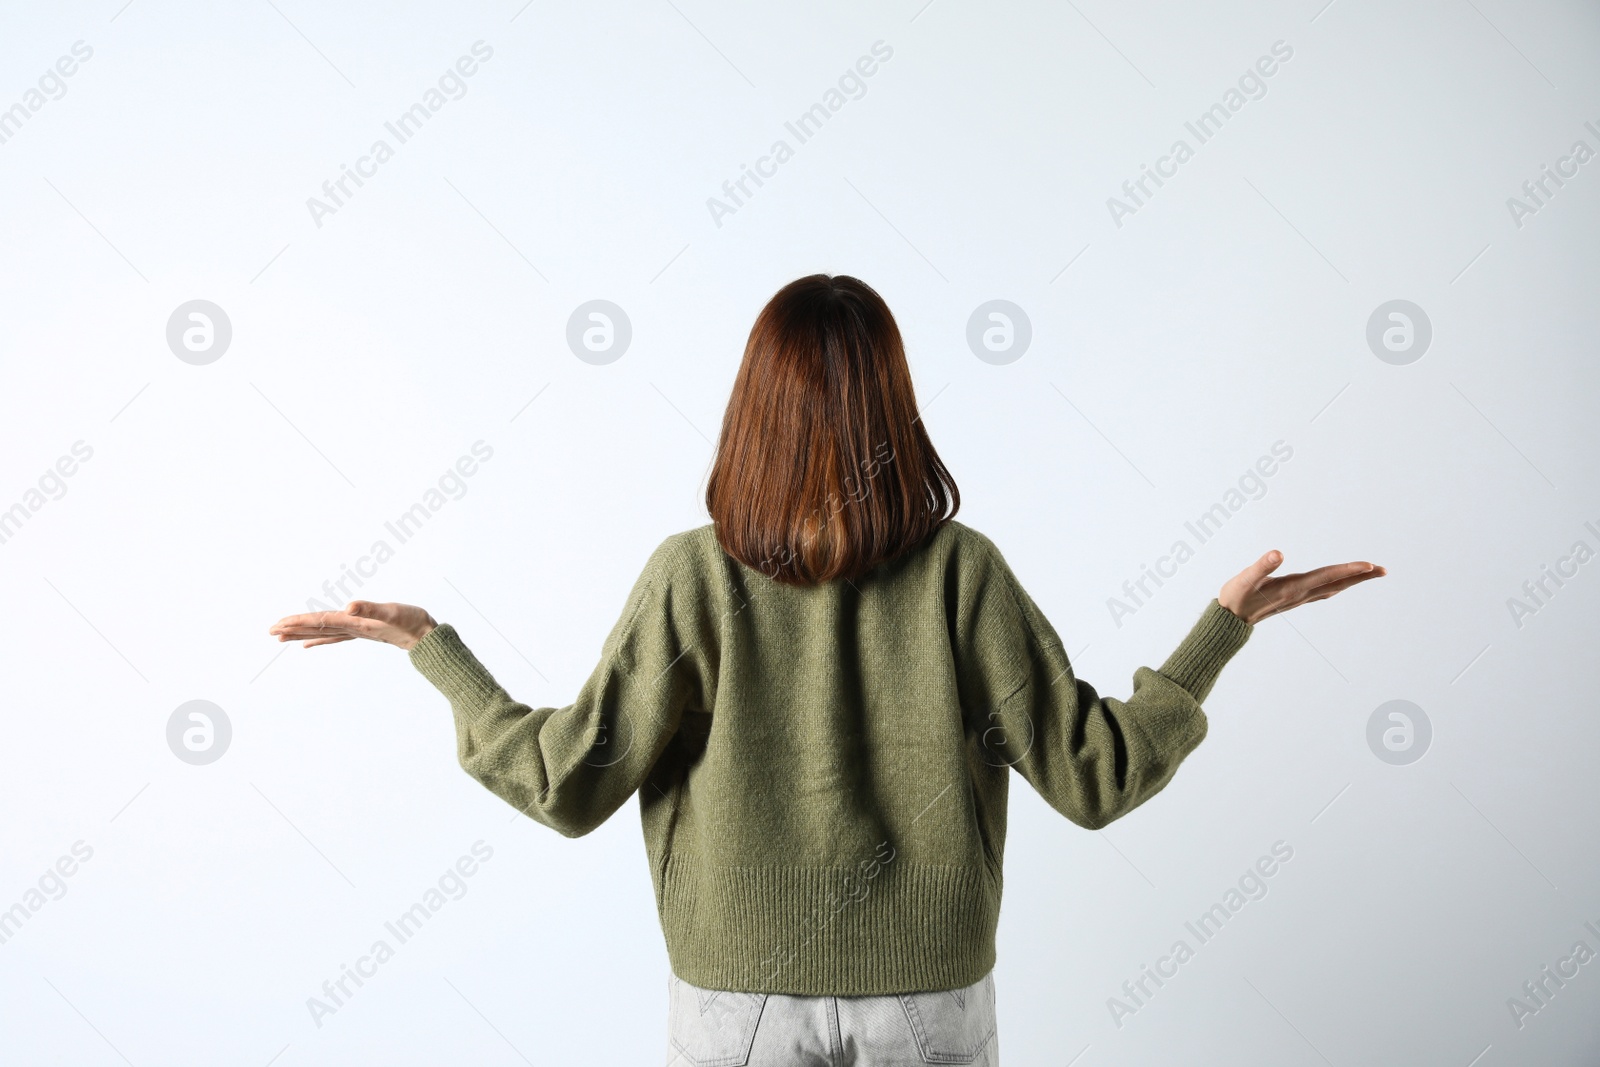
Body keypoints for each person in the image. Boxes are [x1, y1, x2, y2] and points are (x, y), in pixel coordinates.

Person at [269, 274, 1385, 1066]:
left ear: (752, 411)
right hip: (932, 1002)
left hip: (734, 1003)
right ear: (894, 409)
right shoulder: (962, 572)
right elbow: (1095, 774)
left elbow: (566, 781)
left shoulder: (690, 577)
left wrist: (435, 654)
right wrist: (1219, 630)